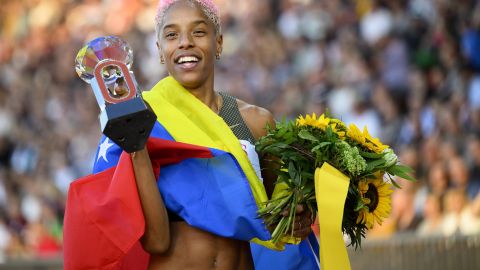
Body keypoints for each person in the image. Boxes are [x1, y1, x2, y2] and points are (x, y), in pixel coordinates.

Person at [120, 0, 314, 269]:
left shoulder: (256, 121)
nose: (185, 42)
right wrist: (136, 146)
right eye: (171, 35)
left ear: (219, 43)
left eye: (198, 32)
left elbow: (281, 217)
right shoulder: (143, 119)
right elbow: (157, 241)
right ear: (160, 51)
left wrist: (300, 213)